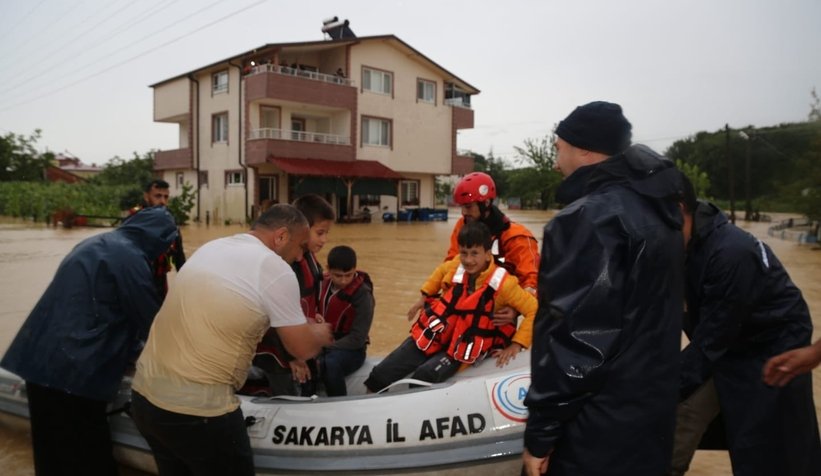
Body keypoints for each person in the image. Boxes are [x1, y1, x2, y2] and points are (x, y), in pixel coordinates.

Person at [523, 101, 686, 476]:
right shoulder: (663, 215)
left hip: (596, 429)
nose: (554, 162)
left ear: (583, 149)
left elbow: (576, 342)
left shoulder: (587, 218)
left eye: (557, 148)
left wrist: (542, 433)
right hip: (651, 421)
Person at [129, 204, 333, 476]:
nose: (299, 257)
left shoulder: (213, 247)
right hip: (199, 412)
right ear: (281, 236)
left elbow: (228, 312)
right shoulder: (275, 268)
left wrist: (297, 325)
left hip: (145, 400)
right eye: (300, 247)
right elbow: (301, 348)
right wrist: (319, 333)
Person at [0, 207, 179, 476]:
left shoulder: (94, 243)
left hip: (39, 360)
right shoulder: (130, 258)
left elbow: (98, 309)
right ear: (158, 238)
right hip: (76, 371)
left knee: (49, 448)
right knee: (89, 451)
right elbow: (151, 322)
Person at [668, 178, 821, 476]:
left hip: (770, 354)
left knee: (772, 449)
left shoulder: (731, 253)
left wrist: (654, 390)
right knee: (674, 423)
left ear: (678, 209)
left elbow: (710, 342)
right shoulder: (680, 244)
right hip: (722, 348)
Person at [365, 221, 537, 393]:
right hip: (438, 334)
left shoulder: (505, 285)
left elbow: (533, 310)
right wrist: (424, 296)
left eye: (474, 254)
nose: (468, 260)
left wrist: (516, 345)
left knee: (423, 377)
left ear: (487, 254)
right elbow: (440, 272)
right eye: (464, 253)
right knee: (380, 374)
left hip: (463, 345)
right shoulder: (457, 265)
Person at [240, 194, 335, 396]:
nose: (324, 240)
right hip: (279, 350)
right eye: (320, 233)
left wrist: (315, 318)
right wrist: (292, 357)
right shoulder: (284, 266)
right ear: (303, 229)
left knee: (308, 380)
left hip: (300, 338)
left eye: (326, 233)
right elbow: (272, 317)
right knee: (286, 387)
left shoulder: (308, 259)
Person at [316, 245, 375, 396]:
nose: (343, 281)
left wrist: (325, 347)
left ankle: (339, 402)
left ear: (355, 269)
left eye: (348, 275)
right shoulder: (321, 282)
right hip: (320, 340)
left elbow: (357, 338)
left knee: (330, 363)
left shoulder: (363, 296)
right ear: (328, 270)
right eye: (337, 276)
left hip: (352, 350)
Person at [130, 179, 186, 299]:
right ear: (146, 196)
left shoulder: (171, 225)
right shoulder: (134, 221)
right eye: (158, 196)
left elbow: (179, 259)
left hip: (160, 283)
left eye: (166, 197)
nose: (162, 201)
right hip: (136, 283)